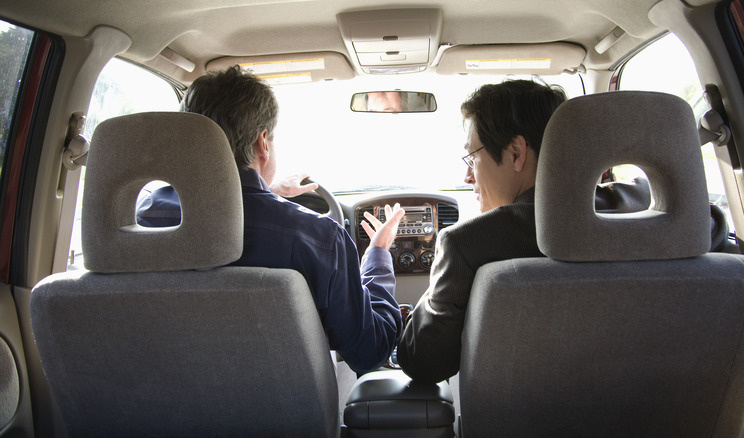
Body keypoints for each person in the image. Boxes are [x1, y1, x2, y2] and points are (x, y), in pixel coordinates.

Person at [136, 65, 406, 374]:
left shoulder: (141, 219)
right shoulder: (320, 237)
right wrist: (378, 254)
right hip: (287, 415)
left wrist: (269, 193)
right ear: (263, 142)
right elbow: (369, 351)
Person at [396, 79, 652, 384]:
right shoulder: (650, 210)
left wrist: (420, 308)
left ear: (516, 152)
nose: (468, 176)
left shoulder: (467, 244)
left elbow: (424, 362)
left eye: (472, 157)